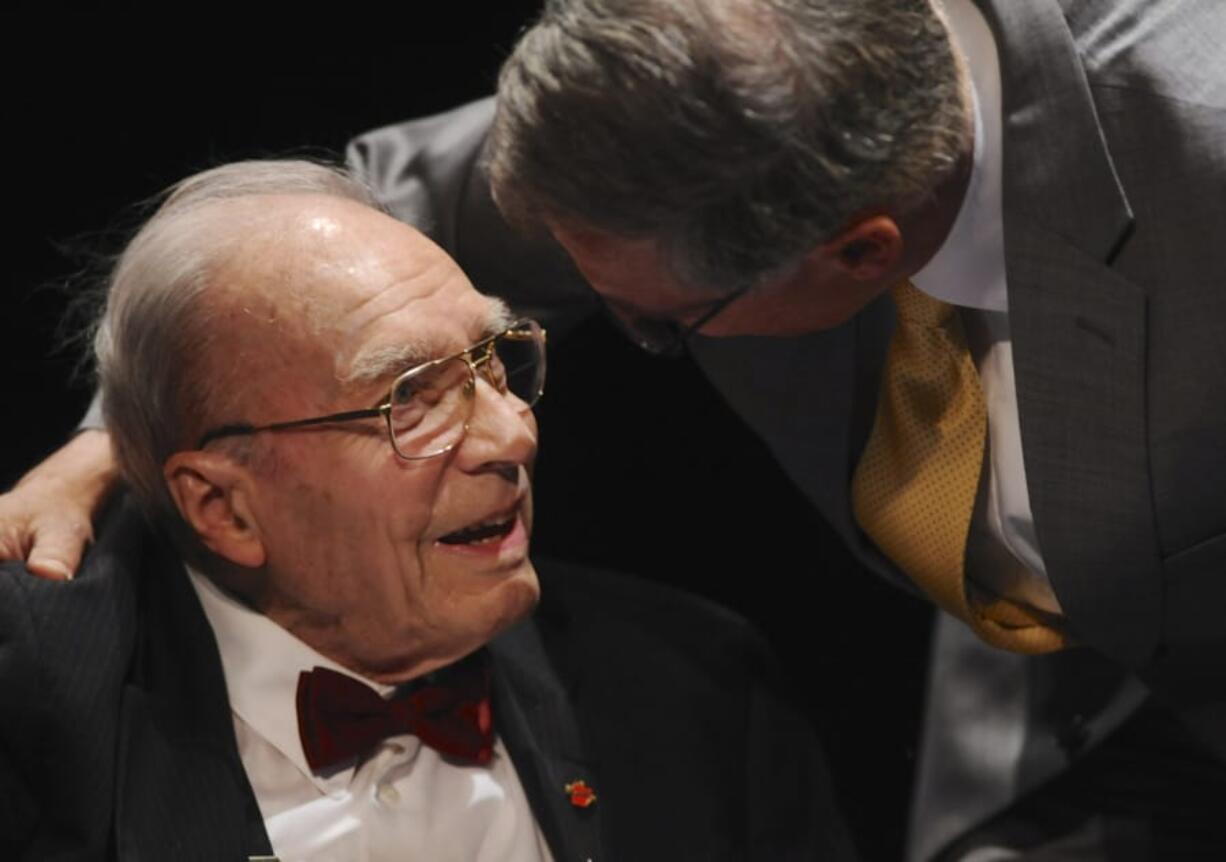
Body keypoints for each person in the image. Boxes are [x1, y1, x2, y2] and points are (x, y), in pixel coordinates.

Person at [5, 0, 1226, 857]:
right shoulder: (696, 100)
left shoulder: (1197, 162)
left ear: (860, 253)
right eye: (417, 392)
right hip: (1038, 744)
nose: (515, 437)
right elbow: (343, 232)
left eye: (651, 325)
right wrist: (129, 433)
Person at [0, 160, 853, 861]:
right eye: (412, 398)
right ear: (224, 507)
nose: (512, 433)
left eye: (495, 362)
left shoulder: (698, 692)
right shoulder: (45, 725)